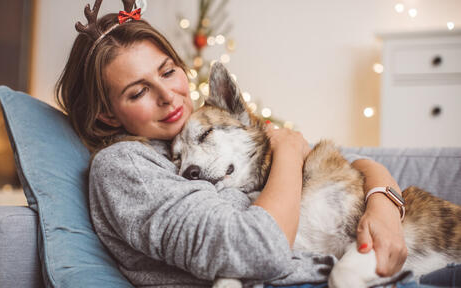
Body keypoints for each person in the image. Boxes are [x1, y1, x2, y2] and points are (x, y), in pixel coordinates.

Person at [55, 2, 458, 287]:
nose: (169, 96)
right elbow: (256, 248)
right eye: (138, 91)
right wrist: (286, 149)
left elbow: (353, 164)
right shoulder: (125, 166)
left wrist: (385, 202)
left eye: (168, 71)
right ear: (107, 114)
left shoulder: (191, 136)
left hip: (390, 259)